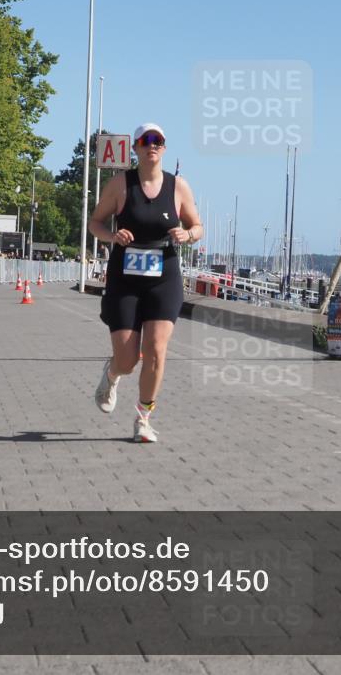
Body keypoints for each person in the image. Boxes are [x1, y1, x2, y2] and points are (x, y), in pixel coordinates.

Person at [88, 123, 204, 443]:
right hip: (125, 278)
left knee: (155, 350)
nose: (152, 146)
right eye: (145, 141)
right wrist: (112, 235)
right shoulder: (120, 185)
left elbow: (197, 226)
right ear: (136, 148)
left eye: (158, 141)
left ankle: (143, 419)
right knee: (128, 360)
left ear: (164, 148)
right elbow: (95, 222)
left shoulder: (178, 187)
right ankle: (111, 375)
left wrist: (188, 234)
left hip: (163, 275)